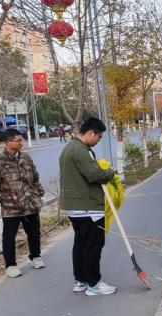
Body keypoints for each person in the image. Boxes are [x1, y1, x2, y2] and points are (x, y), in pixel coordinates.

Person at [59, 117, 117, 296]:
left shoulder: (69, 148)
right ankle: (94, 284)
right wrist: (110, 172)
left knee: (81, 244)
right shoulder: (81, 150)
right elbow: (94, 174)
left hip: (76, 206)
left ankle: (81, 280)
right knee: (93, 245)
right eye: (98, 137)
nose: (98, 140)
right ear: (90, 133)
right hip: (88, 206)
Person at [0, 128, 46, 278]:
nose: (21, 143)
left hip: (30, 204)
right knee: (9, 237)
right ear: (7, 142)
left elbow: (35, 178)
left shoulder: (26, 158)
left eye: (21, 140)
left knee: (34, 233)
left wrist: (40, 194)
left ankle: (35, 256)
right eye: (18, 140)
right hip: (10, 207)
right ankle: (10, 265)